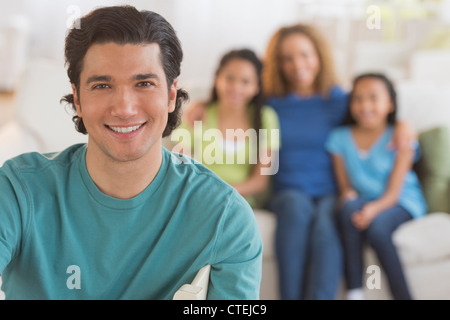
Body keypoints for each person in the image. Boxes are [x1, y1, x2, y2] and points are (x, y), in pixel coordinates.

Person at [0, 5, 262, 300]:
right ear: (78, 99)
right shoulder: (17, 190)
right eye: (102, 85)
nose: (124, 108)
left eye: (144, 83)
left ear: (171, 95)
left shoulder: (224, 218)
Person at [325, 73, 427, 300]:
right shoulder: (339, 139)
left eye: (373, 98)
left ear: (390, 104)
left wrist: (372, 210)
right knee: (349, 209)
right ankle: (355, 292)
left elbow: (393, 193)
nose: (365, 106)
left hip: (400, 201)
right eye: (358, 99)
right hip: (364, 200)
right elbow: (346, 188)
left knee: (378, 229)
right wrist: (349, 196)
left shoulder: (401, 138)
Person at [171, 48, 280, 207]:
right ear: (217, 79)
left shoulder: (267, 118)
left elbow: (260, 181)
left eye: (245, 82)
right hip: (200, 198)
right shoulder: (198, 114)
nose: (236, 87)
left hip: (238, 202)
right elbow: (179, 165)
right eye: (229, 78)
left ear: (256, 87)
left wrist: (222, 193)